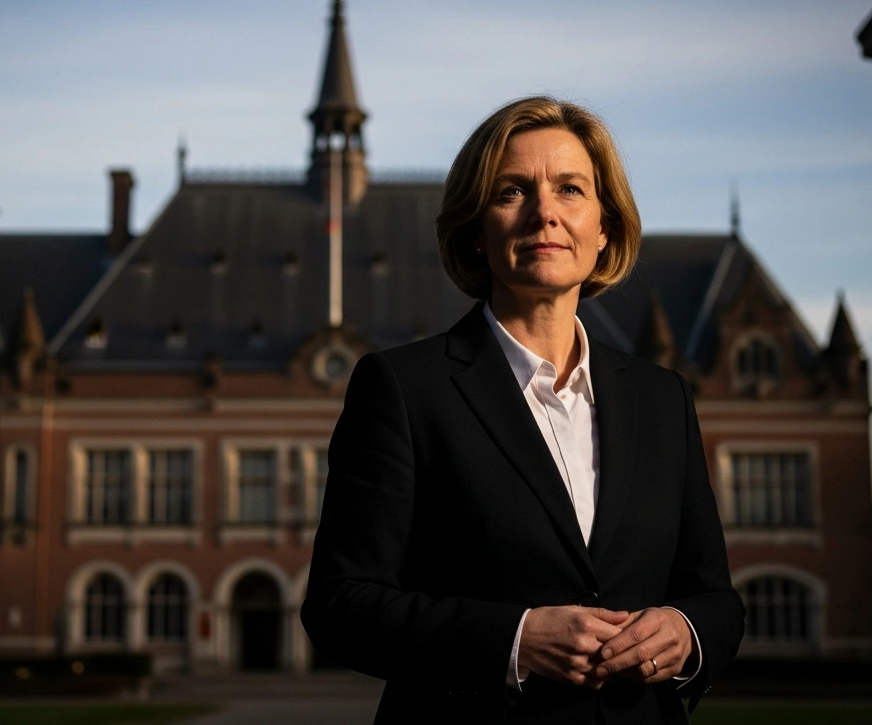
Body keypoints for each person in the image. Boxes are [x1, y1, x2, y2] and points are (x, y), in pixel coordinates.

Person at [301, 96, 744, 724]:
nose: (545, 213)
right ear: (476, 232)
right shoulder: (404, 388)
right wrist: (515, 640)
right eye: (512, 192)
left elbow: (716, 599)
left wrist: (686, 631)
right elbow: (340, 606)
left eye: (570, 189)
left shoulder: (662, 398)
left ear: (605, 228)